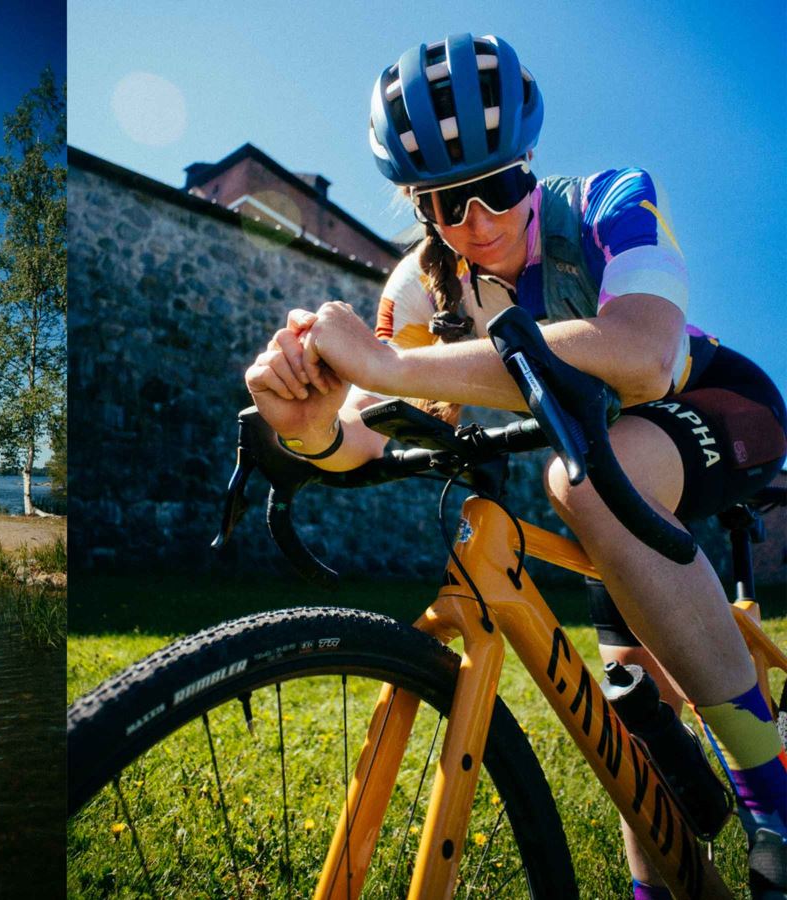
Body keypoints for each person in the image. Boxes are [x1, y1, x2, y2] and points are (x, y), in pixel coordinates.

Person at [245, 33, 786, 899]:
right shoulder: (422, 291)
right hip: (610, 467)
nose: (479, 223)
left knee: (580, 487)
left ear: (529, 165)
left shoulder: (611, 199)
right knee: (633, 732)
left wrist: (390, 368)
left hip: (716, 403)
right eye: (447, 204)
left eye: (498, 189)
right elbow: (369, 433)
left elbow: (642, 356)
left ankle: (775, 794)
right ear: (420, 209)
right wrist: (310, 429)